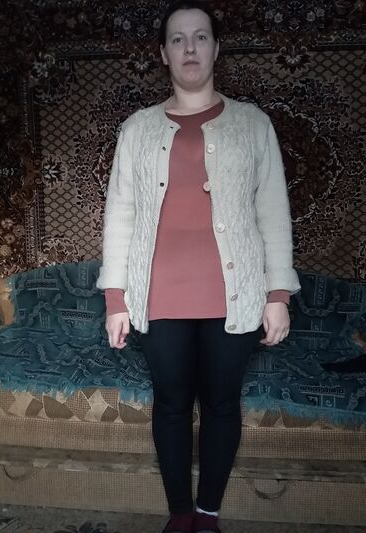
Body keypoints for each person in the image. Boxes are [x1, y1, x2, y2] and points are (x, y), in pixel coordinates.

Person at [97, 1, 301, 532]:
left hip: (235, 293)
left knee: (221, 403)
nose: (190, 48)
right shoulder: (137, 129)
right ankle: (180, 514)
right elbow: (120, 213)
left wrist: (277, 295)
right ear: (164, 54)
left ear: (216, 48)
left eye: (201, 37)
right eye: (178, 39)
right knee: (170, 403)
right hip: (158, 293)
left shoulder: (252, 124)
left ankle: (208, 513)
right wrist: (116, 299)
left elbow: (272, 211)